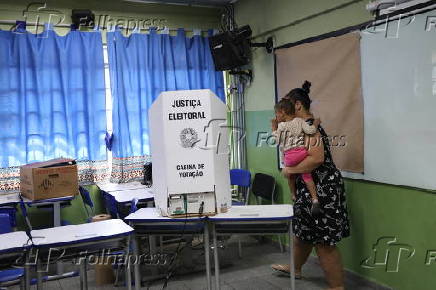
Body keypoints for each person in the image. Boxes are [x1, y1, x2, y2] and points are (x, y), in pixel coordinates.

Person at [271, 81, 350, 290]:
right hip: (308, 189)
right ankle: (295, 268)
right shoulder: (296, 126)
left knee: (324, 243)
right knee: (302, 234)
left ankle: (337, 287)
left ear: (297, 105)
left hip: (324, 190)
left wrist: (289, 171)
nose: (283, 110)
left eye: (287, 105)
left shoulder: (309, 126)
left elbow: (316, 159)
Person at [271, 98, 322, 216]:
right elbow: (311, 130)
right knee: (306, 175)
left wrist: (274, 128)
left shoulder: (282, 126)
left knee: (290, 175)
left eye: (276, 114)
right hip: (302, 154)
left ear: (282, 112)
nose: (276, 117)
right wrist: (316, 123)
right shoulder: (299, 121)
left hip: (289, 157)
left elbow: (276, 140)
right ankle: (315, 199)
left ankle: (293, 194)